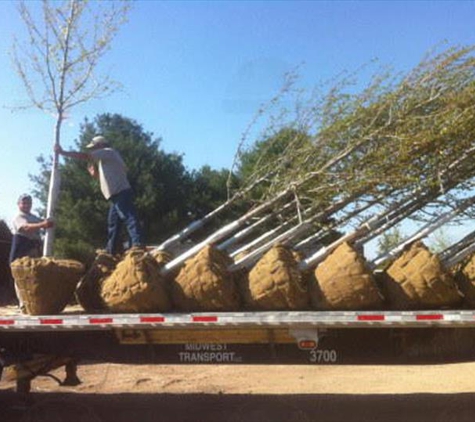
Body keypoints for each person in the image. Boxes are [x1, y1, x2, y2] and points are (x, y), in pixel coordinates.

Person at [55, 135, 144, 255]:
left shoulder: (108, 152)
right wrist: (95, 175)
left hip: (120, 192)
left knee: (129, 217)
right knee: (113, 224)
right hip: (115, 195)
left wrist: (63, 152)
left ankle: (138, 244)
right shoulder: (106, 159)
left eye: (94, 147)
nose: (92, 150)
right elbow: (109, 177)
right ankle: (111, 251)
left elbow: (86, 156)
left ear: (101, 145)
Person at [9, 194, 53, 263]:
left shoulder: (34, 217)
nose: (27, 205)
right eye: (24, 203)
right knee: (21, 267)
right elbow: (25, 228)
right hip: (22, 246)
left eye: (29, 203)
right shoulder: (18, 216)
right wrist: (42, 225)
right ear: (18, 204)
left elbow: (44, 223)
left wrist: (48, 222)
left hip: (34, 246)